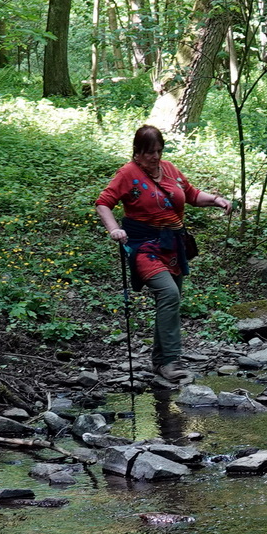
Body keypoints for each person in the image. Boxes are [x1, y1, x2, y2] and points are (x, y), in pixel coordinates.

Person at [93, 125, 234, 381]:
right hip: (144, 246)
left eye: (159, 151)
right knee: (169, 293)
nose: (155, 157)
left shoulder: (169, 169)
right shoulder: (127, 173)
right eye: (150, 152)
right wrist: (114, 229)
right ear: (137, 152)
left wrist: (216, 200)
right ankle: (171, 361)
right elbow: (103, 203)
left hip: (172, 246)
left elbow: (191, 195)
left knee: (170, 299)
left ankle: (160, 362)